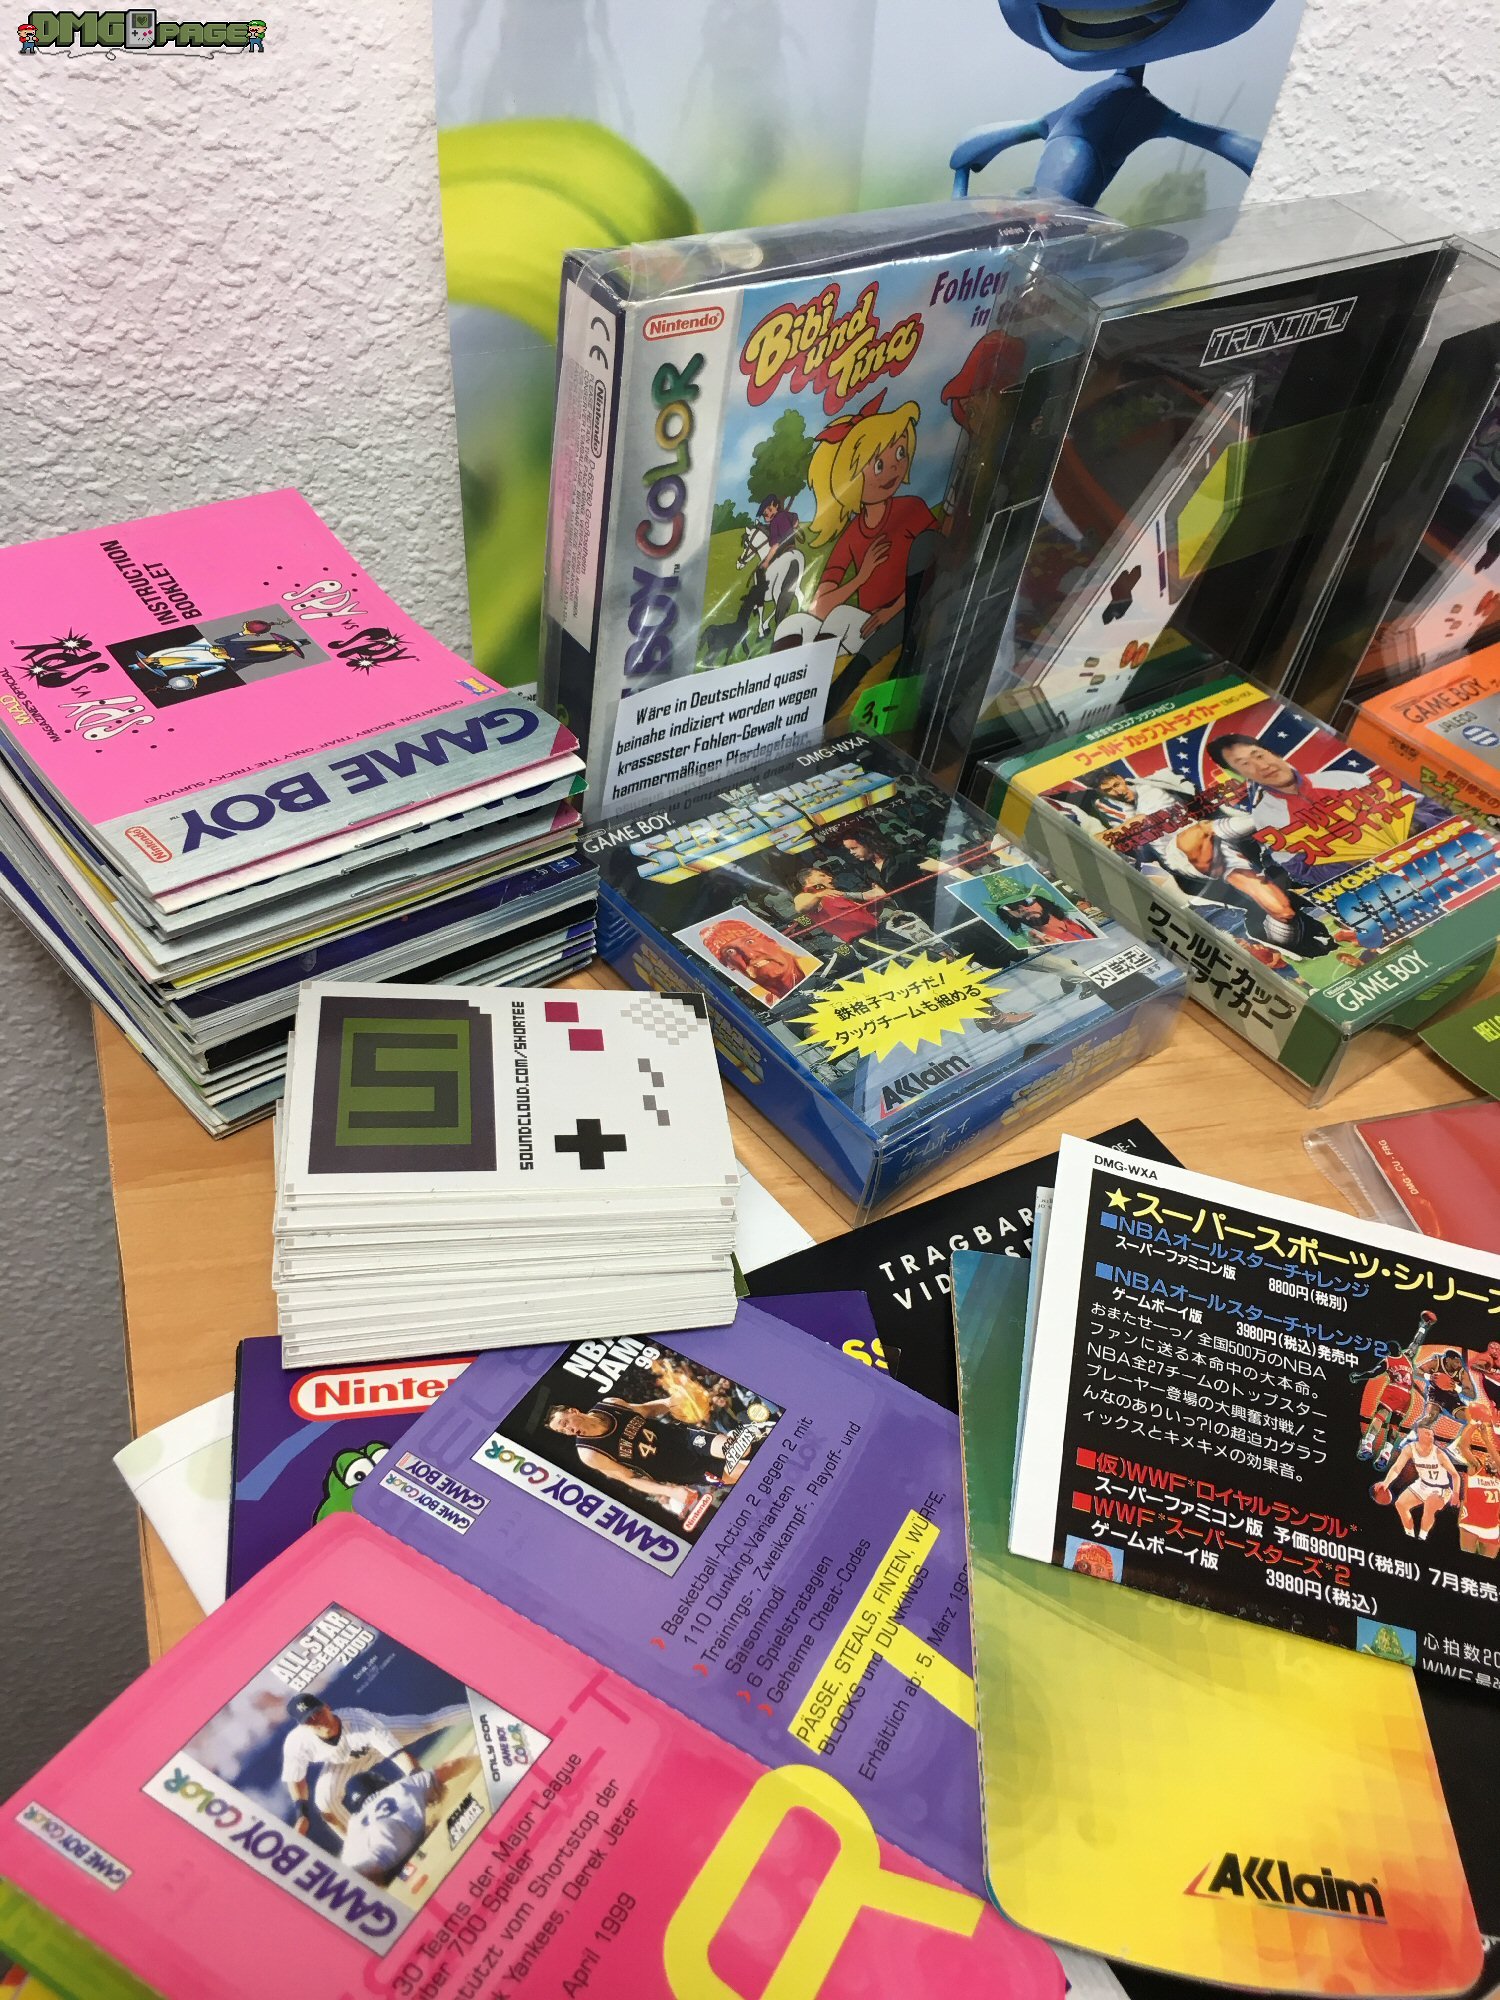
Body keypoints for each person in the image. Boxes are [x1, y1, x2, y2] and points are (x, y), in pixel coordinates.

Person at [1206, 731, 1449, 887]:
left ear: (1274, 753)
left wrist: (1415, 829)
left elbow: (1432, 810)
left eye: (1258, 755)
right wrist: (1350, 865)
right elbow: (1300, 871)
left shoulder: (1341, 778)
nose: (1261, 766)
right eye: (1245, 764)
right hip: (1380, 885)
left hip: (1435, 858)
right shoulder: (1266, 817)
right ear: (1240, 775)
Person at [544, 1394, 767, 1520]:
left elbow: (646, 1410)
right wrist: (670, 1491)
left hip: (682, 1438)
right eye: (562, 1431)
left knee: (739, 1449)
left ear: (573, 1411)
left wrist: (669, 1402)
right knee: (741, 1473)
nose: (568, 1430)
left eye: (565, 1423)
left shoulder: (610, 1405)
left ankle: (764, 1437)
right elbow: (629, 1478)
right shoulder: (589, 1454)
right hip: (678, 1469)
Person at [280, 1696, 465, 1840]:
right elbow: (295, 1779)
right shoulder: (297, 1742)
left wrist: (420, 1781)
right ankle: (362, 1848)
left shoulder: (360, 1721)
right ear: (303, 1727)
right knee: (324, 1802)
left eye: (318, 1712)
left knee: (428, 1723)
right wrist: (301, 1814)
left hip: (379, 1737)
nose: (318, 1720)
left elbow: (400, 1756)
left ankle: (477, 1709)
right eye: (309, 1720)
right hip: (345, 1761)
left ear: (327, 1706)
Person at [340, 1755, 474, 1886]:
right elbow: (446, 1768)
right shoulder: (399, 1787)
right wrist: (474, 1760)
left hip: (356, 1871)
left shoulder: (354, 1822)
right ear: (380, 1783)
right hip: (388, 1857)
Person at [1378, 1425, 1459, 1541]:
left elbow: (1455, 1475)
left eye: (1432, 1435)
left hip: (1441, 1489)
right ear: (1419, 1435)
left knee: (1429, 1504)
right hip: (1423, 1484)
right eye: (1427, 1434)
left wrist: (1455, 1494)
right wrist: (1386, 1483)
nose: (1431, 1437)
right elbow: (1396, 1468)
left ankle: (1422, 1537)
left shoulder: (1439, 1454)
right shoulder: (1410, 1449)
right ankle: (1409, 1535)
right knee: (1400, 1504)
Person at [700, 918, 809, 1001]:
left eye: (750, 942)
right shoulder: (759, 1002)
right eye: (730, 952)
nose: (750, 955)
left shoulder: (816, 965)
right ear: (729, 966)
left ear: (772, 942)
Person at [993, 890, 1095, 947]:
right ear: (1009, 915)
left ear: (1040, 901)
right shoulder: (1029, 944)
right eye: (1012, 906)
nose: (1023, 908)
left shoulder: (1078, 917)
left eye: (1026, 901)